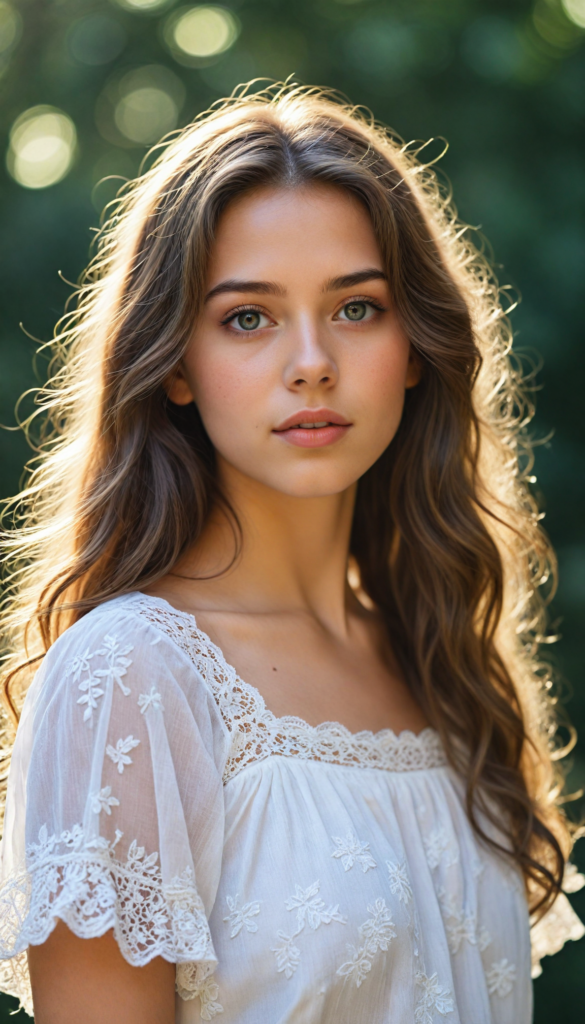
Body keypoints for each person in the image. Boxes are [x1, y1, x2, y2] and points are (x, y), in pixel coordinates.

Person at [0, 84, 582, 1024]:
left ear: (415, 345)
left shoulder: (438, 653)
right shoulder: (131, 676)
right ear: (175, 364)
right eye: (248, 318)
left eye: (356, 309)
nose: (311, 360)